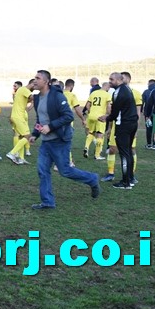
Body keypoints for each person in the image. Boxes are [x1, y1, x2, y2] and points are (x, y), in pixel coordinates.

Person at [29, 70, 100, 209]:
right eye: (34, 78)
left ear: (46, 81)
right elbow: (40, 119)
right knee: (42, 171)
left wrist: (50, 127)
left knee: (65, 171)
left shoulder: (57, 96)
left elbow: (68, 116)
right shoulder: (37, 98)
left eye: (37, 78)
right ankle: (48, 202)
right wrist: (35, 134)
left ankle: (92, 179)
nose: (34, 81)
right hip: (46, 142)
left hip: (60, 140)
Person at [99, 72, 139, 190]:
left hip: (123, 125)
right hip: (132, 124)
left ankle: (126, 183)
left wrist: (107, 118)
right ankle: (130, 178)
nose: (110, 81)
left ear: (119, 80)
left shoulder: (118, 93)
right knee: (128, 151)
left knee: (124, 154)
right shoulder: (127, 89)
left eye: (111, 79)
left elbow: (115, 113)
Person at [6, 80, 35, 165]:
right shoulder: (24, 89)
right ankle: (12, 153)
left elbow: (27, 100)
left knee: (21, 137)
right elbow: (33, 98)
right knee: (28, 136)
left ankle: (21, 158)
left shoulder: (21, 91)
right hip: (18, 117)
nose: (35, 88)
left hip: (17, 116)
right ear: (32, 84)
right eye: (35, 86)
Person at [84, 82, 111, 160]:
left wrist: (90, 112)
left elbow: (87, 105)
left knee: (91, 133)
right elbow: (109, 106)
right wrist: (108, 115)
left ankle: (86, 148)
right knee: (100, 135)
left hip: (91, 116)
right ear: (107, 87)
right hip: (100, 117)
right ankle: (97, 155)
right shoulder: (107, 95)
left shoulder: (94, 93)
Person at [63, 79, 86, 167]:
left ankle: (59, 162)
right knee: (66, 142)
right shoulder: (72, 95)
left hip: (57, 122)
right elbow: (77, 109)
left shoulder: (59, 94)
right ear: (72, 86)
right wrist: (83, 119)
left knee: (59, 142)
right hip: (67, 122)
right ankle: (67, 162)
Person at [141, 79, 155, 150]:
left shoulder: (146, 92)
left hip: (148, 113)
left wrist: (142, 110)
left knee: (148, 128)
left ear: (149, 84)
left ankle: (149, 144)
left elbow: (142, 102)